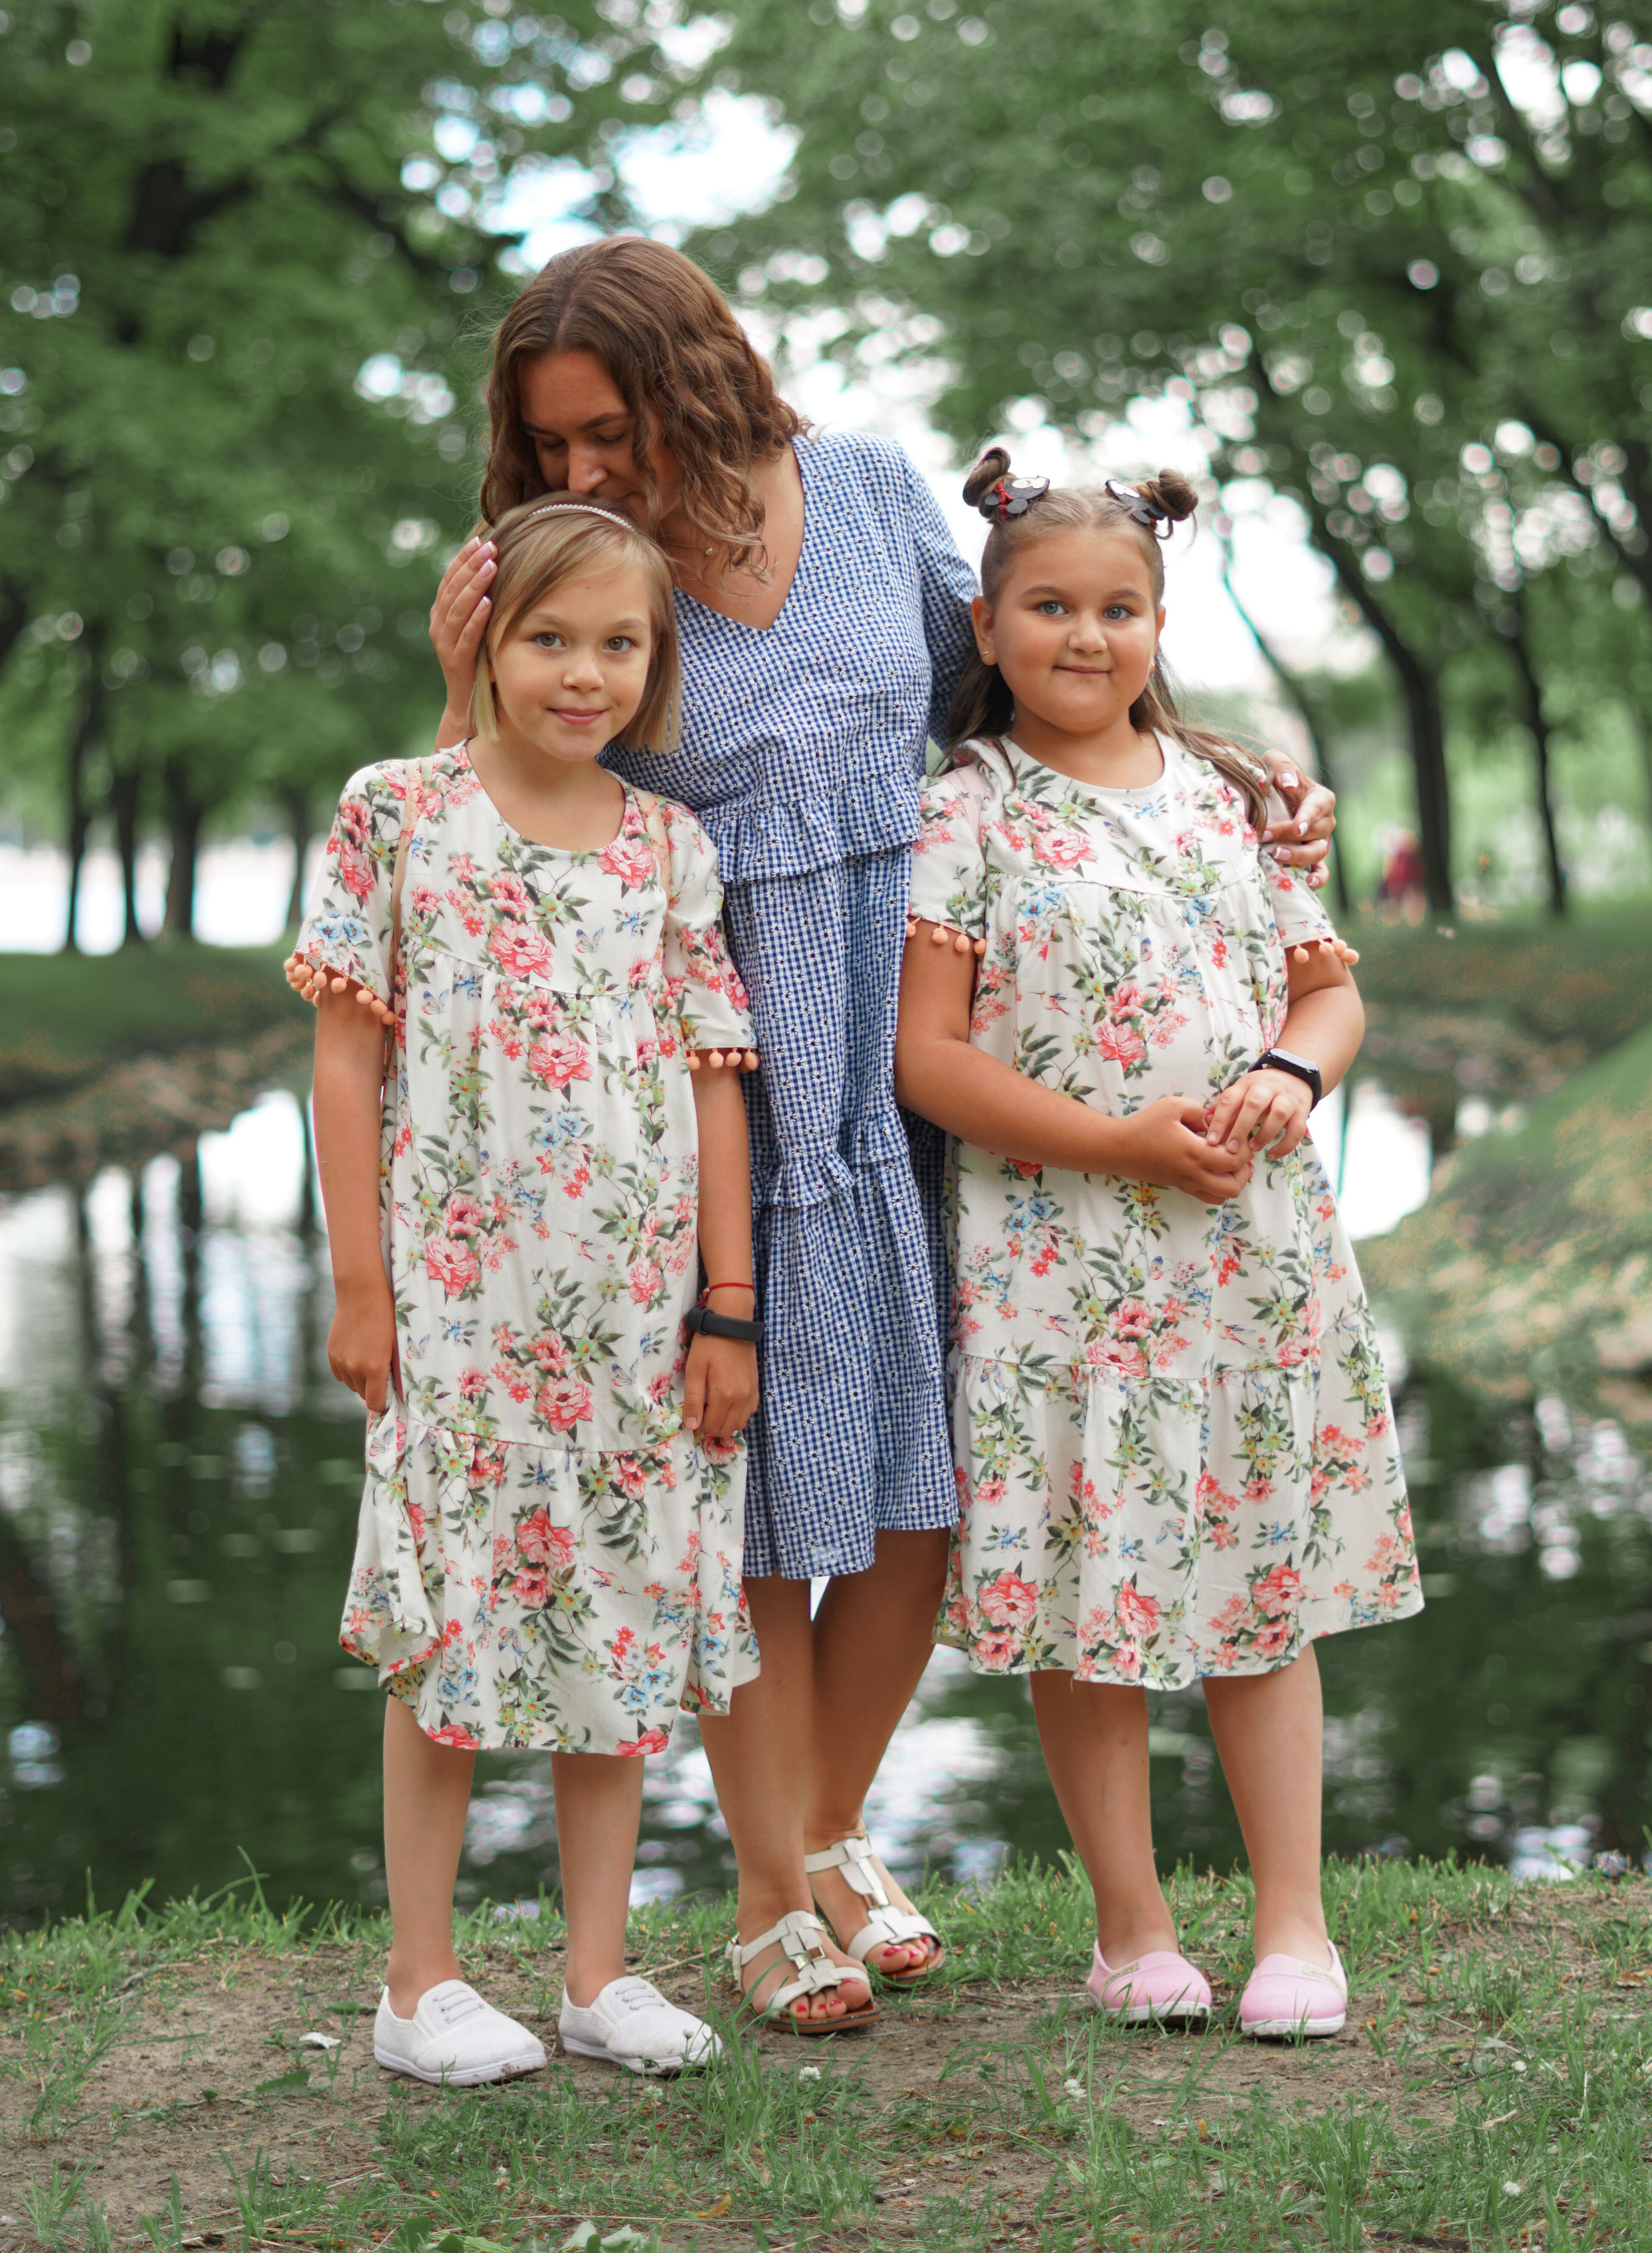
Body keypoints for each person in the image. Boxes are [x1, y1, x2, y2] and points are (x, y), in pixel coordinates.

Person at [426, 235, 1341, 2033]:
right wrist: (455, 681)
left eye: (608, 431)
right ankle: (779, 1903)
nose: (583, 475)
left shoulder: (858, 492)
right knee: (756, 1499)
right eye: (551, 450)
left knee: (931, 1487)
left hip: (935, 1044)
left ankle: (824, 1833)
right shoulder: (589, 579)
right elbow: (519, 807)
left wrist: (1226, 772)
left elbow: (1021, 692)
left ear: (697, 375)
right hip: (722, 1074)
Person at [894, 451, 1422, 2040]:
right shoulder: (963, 813)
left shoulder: (1233, 801)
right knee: (1091, 1597)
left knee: (1262, 1585)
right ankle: (1129, 1928)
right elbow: (928, 1057)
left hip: (1247, 1260)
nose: (1084, 637)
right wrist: (1121, 1140)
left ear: (1158, 617)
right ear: (985, 627)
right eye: (1048, 607)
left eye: (1116, 608)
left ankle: (1294, 1930)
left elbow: (1325, 990)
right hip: (1063, 1261)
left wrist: (1286, 1070)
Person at [289, 496, 765, 2081]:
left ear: (654, 659)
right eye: (547, 638)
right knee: (451, 1629)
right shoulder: (398, 812)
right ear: (483, 639)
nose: (581, 674)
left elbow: (710, 1082)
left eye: (615, 644)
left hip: (634, 1323)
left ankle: (594, 1975)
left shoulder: (669, 846)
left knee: (618, 1629)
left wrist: (728, 1301)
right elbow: (346, 1067)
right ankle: (417, 1981)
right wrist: (361, 1285)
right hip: (458, 1314)